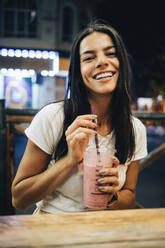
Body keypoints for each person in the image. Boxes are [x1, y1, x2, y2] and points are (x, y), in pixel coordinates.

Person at [11, 21, 147, 214]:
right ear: (78, 72)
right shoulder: (53, 117)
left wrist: (112, 196)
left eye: (110, 53)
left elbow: (129, 195)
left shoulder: (135, 128)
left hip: (104, 233)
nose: (101, 61)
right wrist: (70, 159)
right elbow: (19, 198)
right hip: (54, 230)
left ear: (121, 63)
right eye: (89, 58)